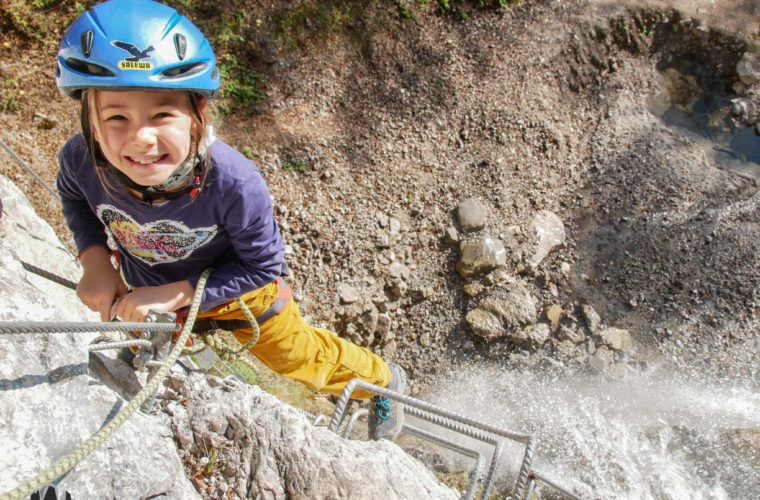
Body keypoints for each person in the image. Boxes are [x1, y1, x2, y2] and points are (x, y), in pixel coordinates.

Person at [55, 0, 405, 440]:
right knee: (134, 321)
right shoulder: (82, 161)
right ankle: (139, 355)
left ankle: (381, 383)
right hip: (148, 288)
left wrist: (177, 292)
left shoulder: (234, 183)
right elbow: (75, 198)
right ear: (90, 122)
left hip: (240, 295)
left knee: (299, 359)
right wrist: (95, 262)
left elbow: (262, 265)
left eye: (162, 114)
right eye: (116, 117)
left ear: (198, 115)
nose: (141, 138)